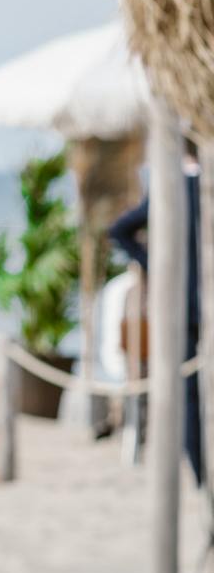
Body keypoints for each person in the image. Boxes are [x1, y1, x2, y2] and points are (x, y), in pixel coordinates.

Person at [108, 155, 204, 486]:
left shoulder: (172, 186)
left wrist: (157, 266)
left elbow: (120, 231)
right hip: (190, 305)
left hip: (183, 304)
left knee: (190, 394)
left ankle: (201, 474)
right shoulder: (182, 186)